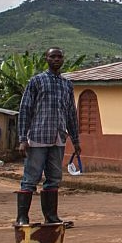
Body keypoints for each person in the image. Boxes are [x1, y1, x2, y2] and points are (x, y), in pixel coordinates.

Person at [15, 47, 81, 226]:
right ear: (46, 59)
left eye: (60, 56)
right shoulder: (36, 81)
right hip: (37, 137)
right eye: (53, 56)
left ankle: (51, 217)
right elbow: (25, 110)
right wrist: (22, 139)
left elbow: (71, 114)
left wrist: (76, 140)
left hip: (58, 138)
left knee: (53, 178)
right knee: (30, 178)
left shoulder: (67, 85)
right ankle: (22, 218)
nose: (56, 59)